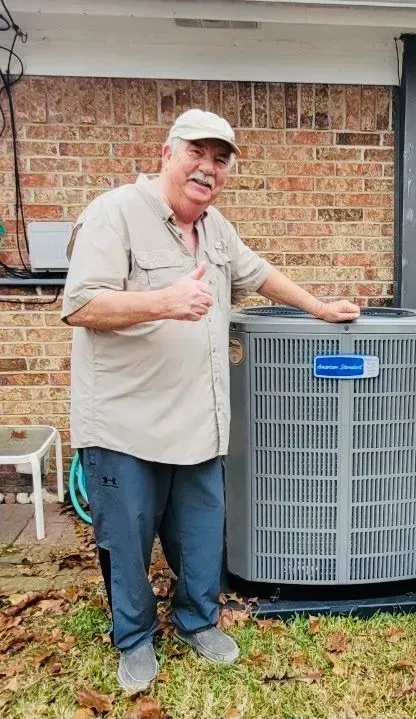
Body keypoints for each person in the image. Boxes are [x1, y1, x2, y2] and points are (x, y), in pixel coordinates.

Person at [61, 108, 360, 692]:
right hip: (126, 425)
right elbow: (80, 305)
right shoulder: (115, 213)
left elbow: (258, 273)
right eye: (197, 153)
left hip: (198, 421)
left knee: (199, 536)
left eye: (221, 160)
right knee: (127, 542)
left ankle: (198, 621)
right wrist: (164, 302)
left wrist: (319, 308)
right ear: (166, 154)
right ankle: (135, 639)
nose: (208, 168)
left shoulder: (215, 227)